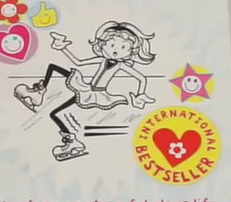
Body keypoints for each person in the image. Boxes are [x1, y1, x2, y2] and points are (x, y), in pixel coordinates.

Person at [14, 21, 157, 160]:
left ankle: (72, 142)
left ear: (131, 51)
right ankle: (39, 93)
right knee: (53, 67)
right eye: (112, 45)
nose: (115, 50)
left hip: (96, 94)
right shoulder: (102, 59)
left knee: (54, 114)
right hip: (86, 88)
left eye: (123, 47)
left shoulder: (120, 65)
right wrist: (63, 48)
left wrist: (140, 95)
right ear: (103, 45)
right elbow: (78, 62)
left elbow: (142, 78)